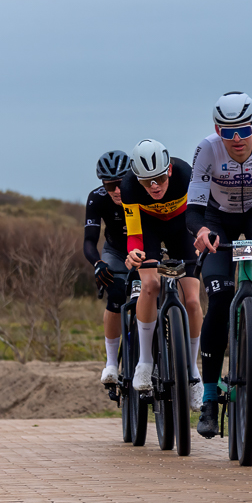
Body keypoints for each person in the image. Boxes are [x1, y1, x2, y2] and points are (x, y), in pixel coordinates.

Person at [188, 91, 252, 439]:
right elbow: (194, 210)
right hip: (218, 219)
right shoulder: (207, 149)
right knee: (220, 298)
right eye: (228, 131)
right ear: (217, 130)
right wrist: (201, 231)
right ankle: (210, 398)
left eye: (243, 130)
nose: (237, 138)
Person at [121, 139, 204, 411]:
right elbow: (134, 232)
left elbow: (199, 213)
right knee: (150, 285)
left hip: (182, 227)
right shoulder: (129, 186)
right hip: (150, 230)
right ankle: (145, 361)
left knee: (192, 300)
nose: (154, 186)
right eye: (147, 182)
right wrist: (133, 253)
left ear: (169, 170)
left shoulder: (185, 174)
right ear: (138, 179)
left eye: (159, 178)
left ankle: (192, 371)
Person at [84, 150, 132, 387]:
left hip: (146, 250)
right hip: (115, 252)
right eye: (110, 185)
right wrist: (98, 264)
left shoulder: (142, 192)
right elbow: (89, 241)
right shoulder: (97, 198)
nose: (117, 190)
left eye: (121, 184)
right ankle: (111, 363)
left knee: (154, 293)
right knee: (116, 295)